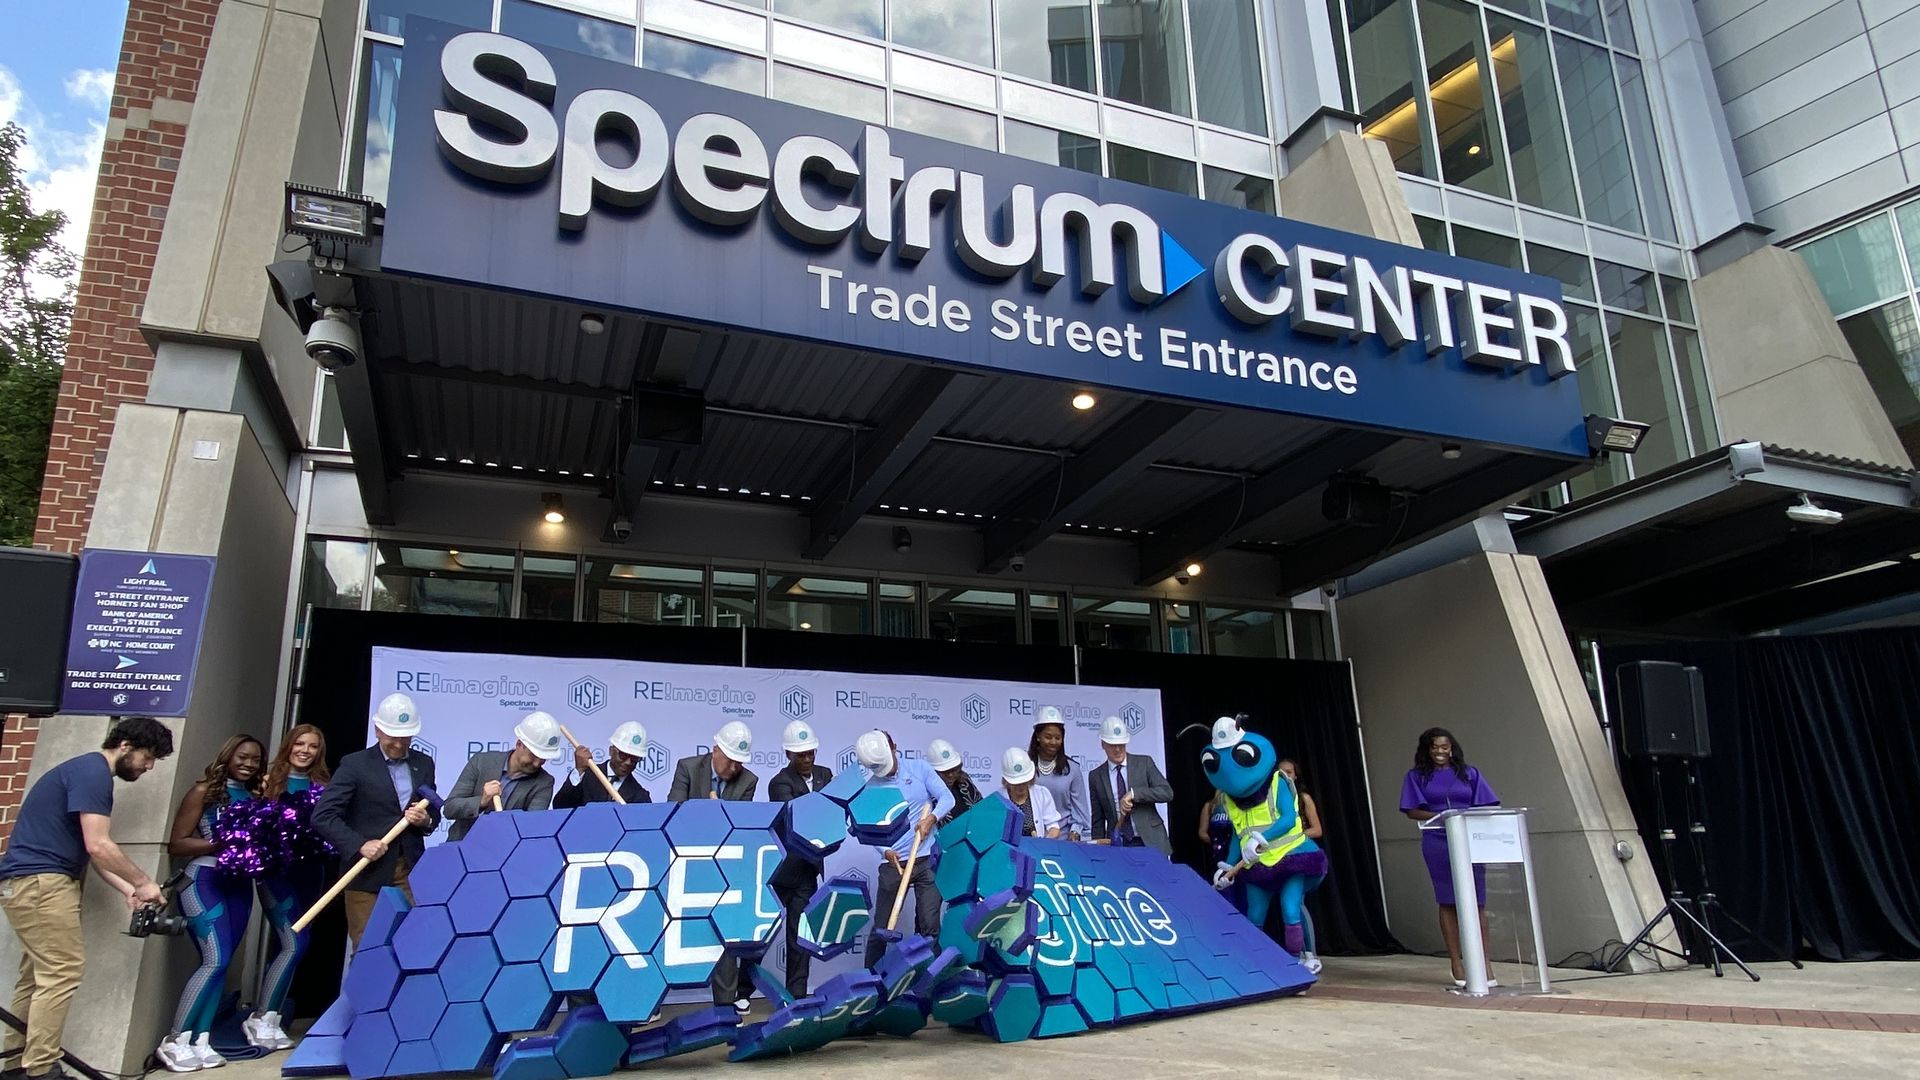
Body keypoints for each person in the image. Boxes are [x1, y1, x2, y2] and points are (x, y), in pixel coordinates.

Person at [0, 717, 173, 1080]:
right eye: (148, 755)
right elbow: (100, 844)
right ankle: (42, 1068)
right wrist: (143, 882)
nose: (150, 765)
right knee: (62, 971)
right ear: (125, 745)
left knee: (37, 978)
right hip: (43, 884)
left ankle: (16, 1065)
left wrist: (127, 889)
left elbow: (91, 852)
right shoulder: (93, 774)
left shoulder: (82, 771)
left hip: (31, 882)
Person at [157, 734, 266, 1072]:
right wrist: (220, 842)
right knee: (214, 959)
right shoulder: (204, 792)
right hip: (204, 881)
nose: (248, 764)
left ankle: (200, 1038)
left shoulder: (253, 797)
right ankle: (175, 1039)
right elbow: (177, 843)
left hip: (239, 886)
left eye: (255, 760)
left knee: (223, 962)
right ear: (228, 755)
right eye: (242, 757)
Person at [312, 693, 439, 948]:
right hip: (366, 871)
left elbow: (433, 813)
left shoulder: (423, 764)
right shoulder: (354, 765)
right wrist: (360, 844)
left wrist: (425, 820)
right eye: (393, 736)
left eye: (405, 737)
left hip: (409, 869)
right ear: (378, 730)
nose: (399, 744)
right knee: (368, 948)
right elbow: (323, 816)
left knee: (413, 945)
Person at [244, 724, 332, 1053]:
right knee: (293, 943)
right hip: (276, 873)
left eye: (312, 745)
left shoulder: (324, 785)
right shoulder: (267, 782)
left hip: (311, 873)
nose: (305, 750)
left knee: (297, 946)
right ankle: (261, 1017)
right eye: (300, 743)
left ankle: (272, 1016)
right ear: (289, 746)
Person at [666, 721, 757, 1013]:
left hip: (725, 869)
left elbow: (739, 827)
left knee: (725, 936)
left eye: (739, 762)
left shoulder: (748, 781)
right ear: (715, 749)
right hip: (685, 863)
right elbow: (673, 811)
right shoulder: (688, 768)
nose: (734, 767)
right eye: (730, 759)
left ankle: (726, 1006)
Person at [1399, 727, 1500, 989]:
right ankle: (1456, 961)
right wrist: (1443, 817)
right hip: (1438, 839)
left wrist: (1463, 817)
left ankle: (1485, 962)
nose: (1440, 752)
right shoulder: (1417, 776)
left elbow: (1488, 804)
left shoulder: (1469, 773)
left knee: (1477, 902)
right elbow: (1411, 810)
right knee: (1448, 901)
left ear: (1451, 748)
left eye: (1444, 747)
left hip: (1469, 839)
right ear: (1427, 749)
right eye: (1434, 747)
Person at [853, 731, 952, 966]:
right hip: (894, 864)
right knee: (881, 926)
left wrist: (931, 819)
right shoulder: (870, 788)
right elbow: (866, 828)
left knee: (930, 925)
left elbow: (947, 798)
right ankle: (871, 981)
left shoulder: (920, 769)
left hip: (927, 858)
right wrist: (884, 851)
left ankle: (929, 980)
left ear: (894, 746)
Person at [765, 720, 830, 997]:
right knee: (759, 933)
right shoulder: (779, 782)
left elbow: (837, 809)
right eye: (800, 754)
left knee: (799, 935)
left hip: (807, 869)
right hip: (779, 871)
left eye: (810, 753)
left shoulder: (826, 774)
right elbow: (798, 816)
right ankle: (742, 991)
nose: (806, 759)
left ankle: (797, 995)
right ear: (788, 754)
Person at [443, 712, 561, 840]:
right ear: (519, 744)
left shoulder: (544, 782)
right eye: (533, 755)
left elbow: (530, 828)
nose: (537, 763)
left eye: (543, 758)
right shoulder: (481, 762)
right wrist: (482, 802)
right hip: (461, 848)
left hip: (505, 854)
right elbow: (450, 808)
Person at [1087, 716, 1174, 855]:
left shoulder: (1144, 763)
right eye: (1112, 745)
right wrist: (1097, 852)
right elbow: (1097, 818)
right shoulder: (1096, 776)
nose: (1117, 749)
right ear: (1103, 744)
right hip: (1118, 844)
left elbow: (1167, 792)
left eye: (1121, 744)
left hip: (1151, 841)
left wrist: (1134, 794)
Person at [1278, 757, 1324, 965]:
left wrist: (1295, 837)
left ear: (1295, 775)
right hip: (1278, 857)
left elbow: (1317, 829)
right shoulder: (1271, 799)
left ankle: (1310, 954)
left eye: (1289, 772)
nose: (1285, 776)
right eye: (1281, 772)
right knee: (1288, 905)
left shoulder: (1303, 798)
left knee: (1295, 905)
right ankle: (1296, 954)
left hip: (1300, 855)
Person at [552, 722, 652, 806]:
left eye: (635, 758)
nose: (628, 762)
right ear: (611, 751)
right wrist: (579, 770)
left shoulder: (640, 796)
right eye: (623, 755)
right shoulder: (586, 776)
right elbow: (560, 805)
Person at [1028, 706, 1090, 841]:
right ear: (1038, 736)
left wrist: (1075, 832)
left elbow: (1080, 810)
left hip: (1063, 841)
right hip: (1030, 840)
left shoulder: (1072, 769)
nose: (1053, 742)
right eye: (1048, 737)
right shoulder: (1026, 766)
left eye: (1058, 738)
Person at [999, 748, 1060, 839]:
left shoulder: (1042, 794)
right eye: (1016, 784)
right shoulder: (998, 799)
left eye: (1024, 782)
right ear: (1007, 781)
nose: (1021, 786)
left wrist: (1045, 842)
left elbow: (1053, 826)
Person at [925, 739, 981, 825]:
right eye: (945, 772)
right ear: (933, 772)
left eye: (954, 770)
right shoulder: (925, 794)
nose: (951, 775)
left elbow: (981, 808)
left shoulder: (964, 783)